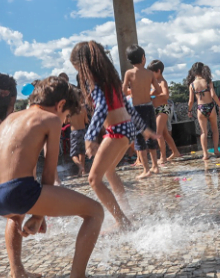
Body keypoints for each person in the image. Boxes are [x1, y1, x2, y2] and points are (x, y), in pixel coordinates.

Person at [0, 76, 108, 278]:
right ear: (60, 105)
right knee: (95, 212)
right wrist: (39, 215)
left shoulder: (11, 118)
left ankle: (17, 273)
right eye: (66, 115)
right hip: (17, 192)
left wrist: (34, 210)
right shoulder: (50, 119)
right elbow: (49, 172)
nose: (64, 118)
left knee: (15, 215)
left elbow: (22, 168)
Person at [71, 41, 155, 231]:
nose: (79, 73)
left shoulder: (96, 83)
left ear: (83, 65)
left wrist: (90, 137)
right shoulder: (111, 80)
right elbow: (128, 108)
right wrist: (143, 128)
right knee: (108, 171)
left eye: (77, 68)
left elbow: (101, 108)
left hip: (116, 130)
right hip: (126, 129)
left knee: (93, 179)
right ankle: (127, 211)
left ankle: (122, 222)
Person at [122, 45, 161, 179]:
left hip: (137, 109)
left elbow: (123, 91)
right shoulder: (149, 73)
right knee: (151, 136)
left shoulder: (129, 73)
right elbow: (158, 90)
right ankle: (155, 166)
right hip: (149, 107)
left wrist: (132, 92)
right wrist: (149, 94)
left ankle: (146, 169)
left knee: (139, 138)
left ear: (129, 60)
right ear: (143, 58)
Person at [187, 62, 220, 160]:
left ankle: (205, 154)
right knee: (215, 130)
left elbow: (190, 101)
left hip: (200, 108)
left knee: (203, 132)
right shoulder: (208, 81)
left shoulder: (192, 85)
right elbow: (213, 95)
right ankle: (216, 150)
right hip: (211, 107)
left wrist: (189, 111)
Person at [147, 60, 181, 164]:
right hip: (157, 109)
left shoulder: (162, 82)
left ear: (158, 71)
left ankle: (163, 156)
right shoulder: (154, 82)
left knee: (158, 133)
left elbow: (166, 95)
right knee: (165, 134)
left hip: (163, 108)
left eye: (152, 72)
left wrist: (154, 96)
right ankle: (175, 152)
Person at [69, 88, 89, 176]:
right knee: (82, 152)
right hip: (83, 131)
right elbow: (86, 121)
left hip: (74, 132)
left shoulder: (70, 109)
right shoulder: (83, 108)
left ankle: (80, 166)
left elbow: (66, 121)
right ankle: (82, 171)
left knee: (73, 154)